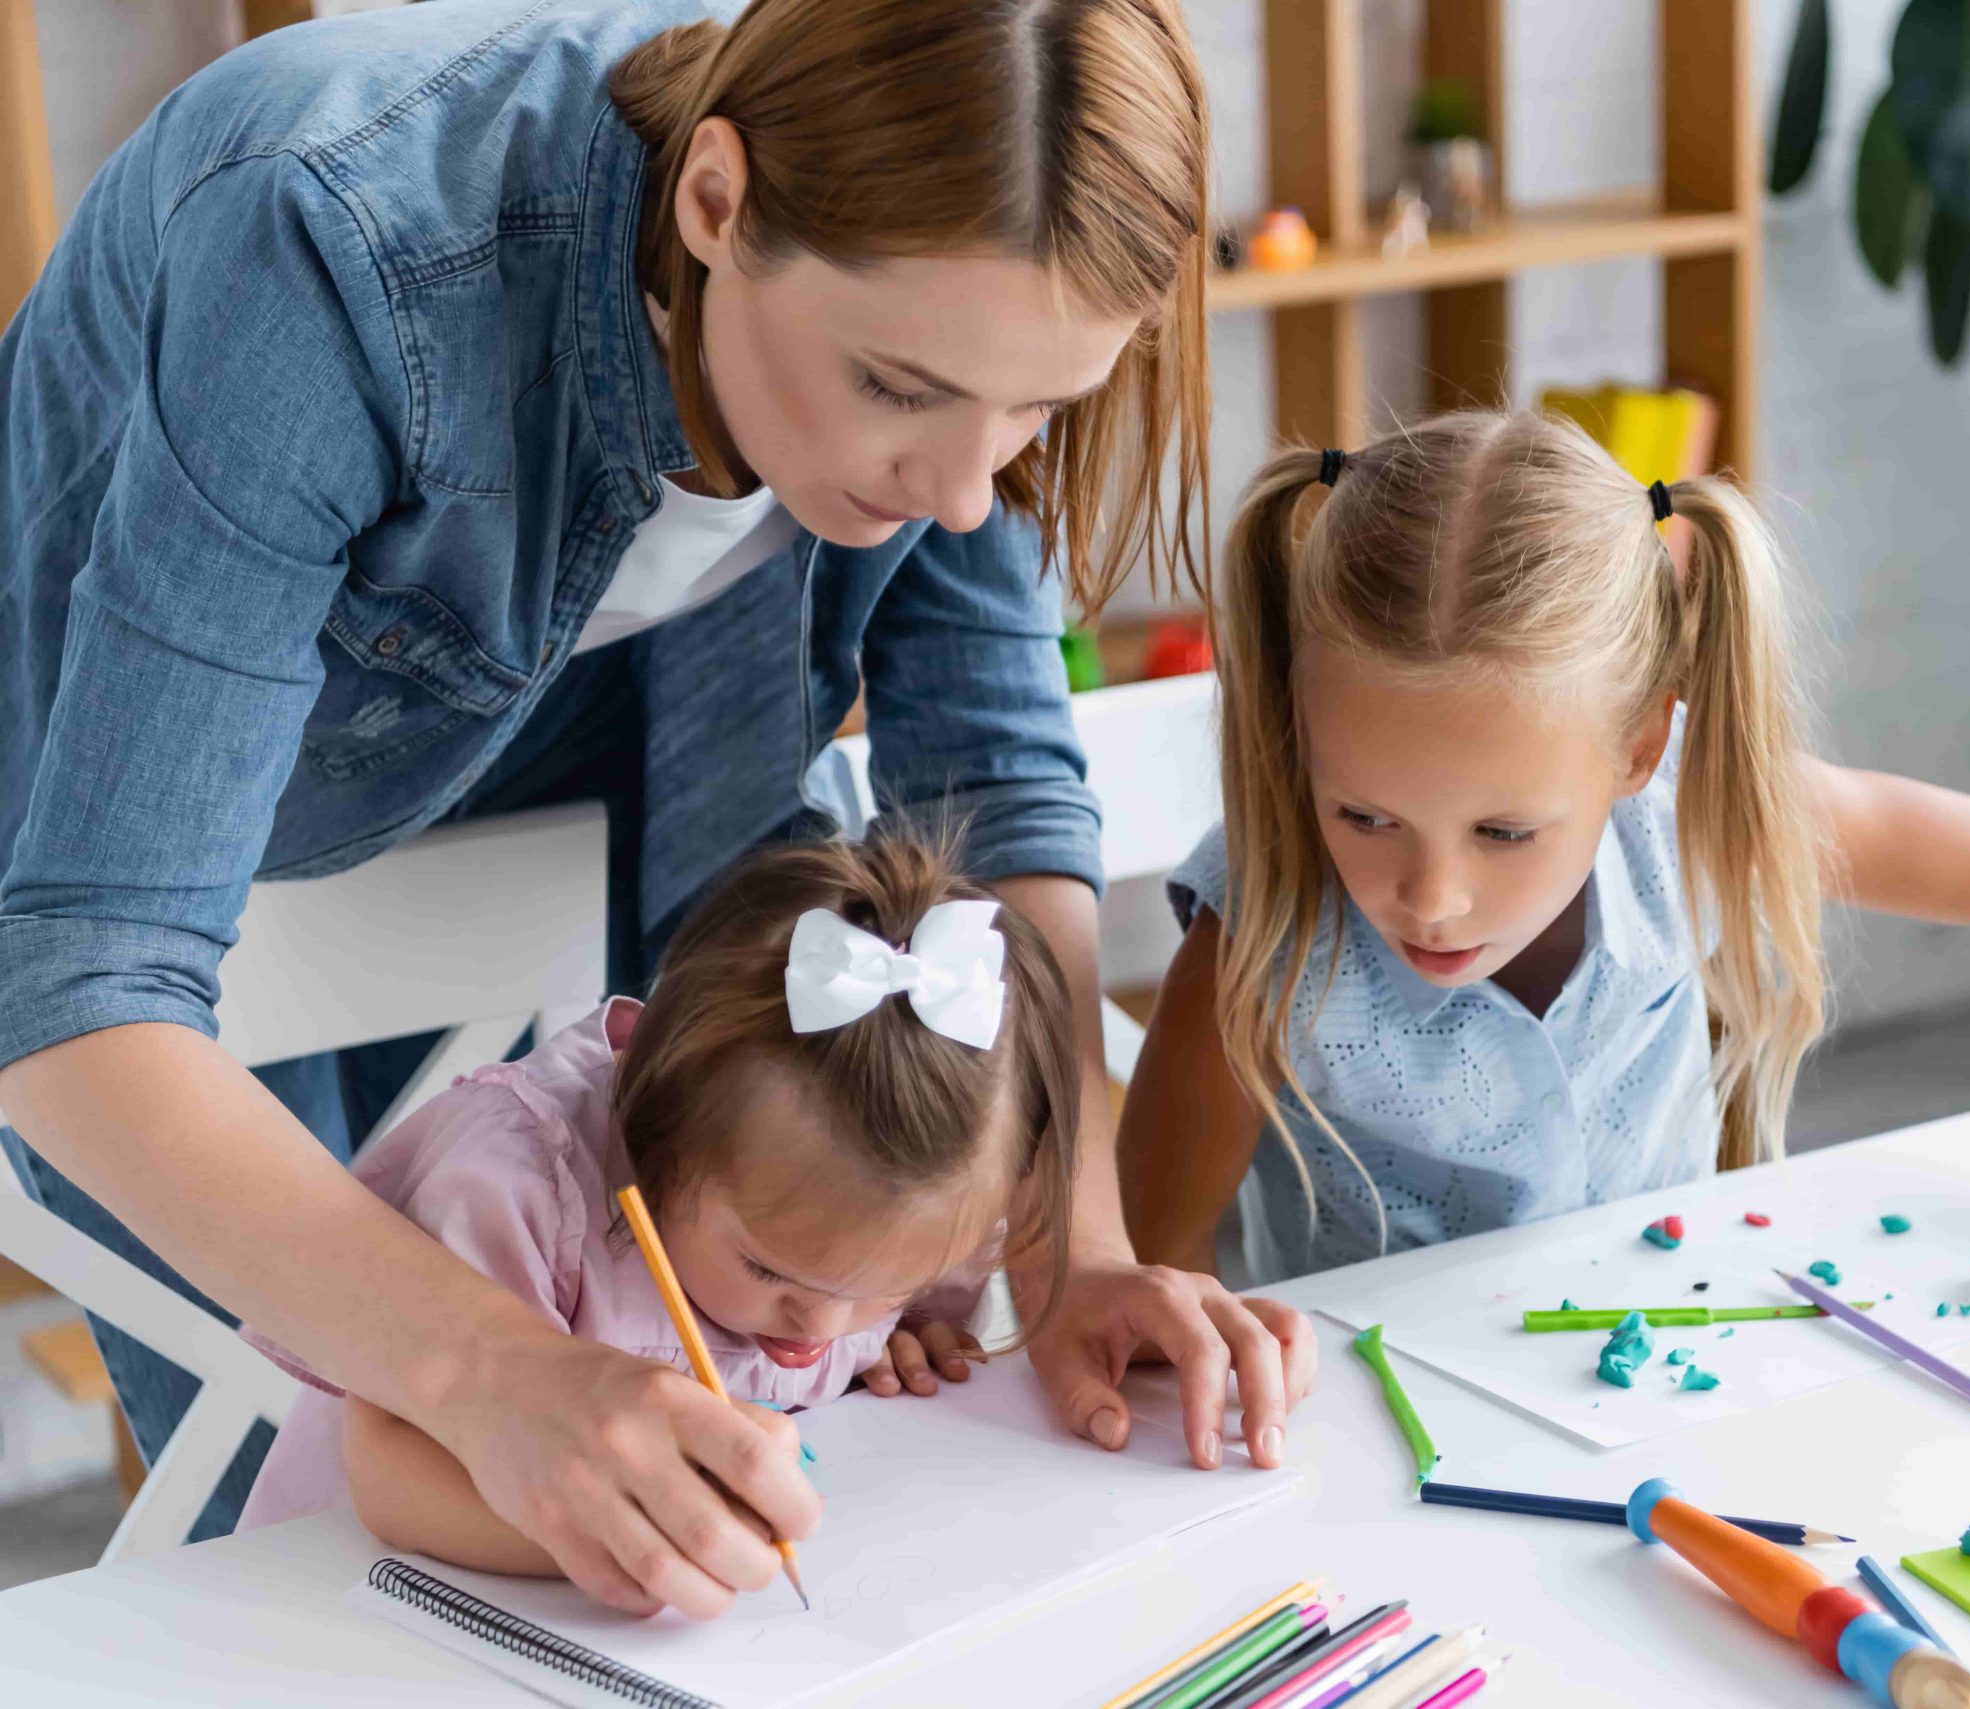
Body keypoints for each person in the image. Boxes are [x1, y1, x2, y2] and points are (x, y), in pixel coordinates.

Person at [0, 0, 1307, 1617]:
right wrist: (499, 1371)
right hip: (167, 866)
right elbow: (84, 980)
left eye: (1036, 409)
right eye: (903, 384)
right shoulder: (327, 242)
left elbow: (997, 792)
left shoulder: (969, 300)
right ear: (713, 201)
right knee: (311, 1549)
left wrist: (1073, 1243)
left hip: (653, 789)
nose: (969, 490)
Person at [1117, 412, 1970, 1284]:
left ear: (1636, 748)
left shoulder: (1696, 815)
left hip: (1671, 1366)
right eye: (1363, 815)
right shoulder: (1264, 914)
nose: (1430, 893)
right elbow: (1155, 1258)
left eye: (1506, 831)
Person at [236, 835, 1078, 1597]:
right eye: (769, 1269)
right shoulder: (518, 1187)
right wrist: (639, 1538)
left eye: (887, 1289)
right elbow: (389, 1470)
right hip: (343, 1614)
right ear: (653, 1130)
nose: (820, 1325)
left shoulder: (929, 1201)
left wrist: (891, 1342)